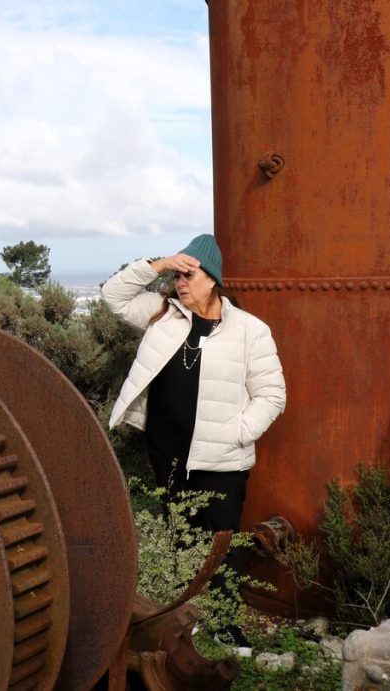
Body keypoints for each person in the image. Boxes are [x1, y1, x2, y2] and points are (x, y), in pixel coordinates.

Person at [101, 234, 285, 573]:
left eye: (190, 275)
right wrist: (161, 264)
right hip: (167, 454)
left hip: (221, 461)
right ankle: (189, 624)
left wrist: (237, 433)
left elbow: (272, 394)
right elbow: (113, 296)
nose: (181, 283)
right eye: (178, 275)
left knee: (220, 550)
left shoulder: (249, 331)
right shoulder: (163, 313)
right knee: (180, 544)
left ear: (212, 280)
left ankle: (224, 624)